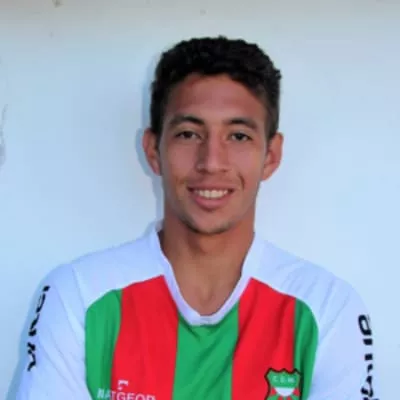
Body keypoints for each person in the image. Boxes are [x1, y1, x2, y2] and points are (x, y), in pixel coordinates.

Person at [15, 36, 378, 400]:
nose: (211, 162)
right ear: (153, 150)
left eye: (238, 136)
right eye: (188, 134)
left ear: (271, 155)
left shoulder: (327, 308)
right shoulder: (78, 295)